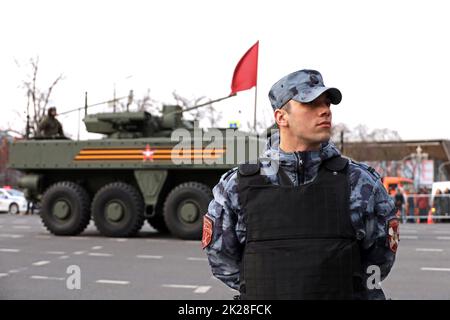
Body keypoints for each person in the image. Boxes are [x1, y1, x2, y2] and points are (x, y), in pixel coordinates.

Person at [203, 69, 398, 300]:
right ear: (281, 117)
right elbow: (221, 259)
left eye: (327, 103)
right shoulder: (236, 186)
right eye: (311, 104)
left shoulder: (361, 182)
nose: (325, 110)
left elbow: (380, 259)